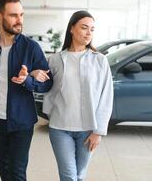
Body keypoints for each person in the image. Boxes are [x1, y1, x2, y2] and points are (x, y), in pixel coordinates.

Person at [0, 0, 53, 181]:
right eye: (13, 15)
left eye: (21, 15)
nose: (19, 20)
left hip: (22, 122)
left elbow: (48, 83)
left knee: (17, 173)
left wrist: (28, 80)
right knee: (3, 168)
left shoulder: (31, 47)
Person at [42, 10, 114, 181]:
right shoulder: (55, 59)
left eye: (92, 29)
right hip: (60, 128)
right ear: (72, 29)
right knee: (68, 176)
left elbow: (106, 96)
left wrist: (99, 131)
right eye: (84, 27)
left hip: (88, 130)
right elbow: (48, 89)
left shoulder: (100, 60)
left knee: (80, 175)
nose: (89, 33)